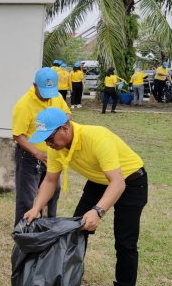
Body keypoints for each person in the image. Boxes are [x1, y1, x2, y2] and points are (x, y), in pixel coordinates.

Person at [24, 107, 148, 286]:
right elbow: (50, 180)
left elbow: (118, 183)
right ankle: (70, 278)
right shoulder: (56, 148)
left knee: (125, 242)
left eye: (49, 138)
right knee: (76, 229)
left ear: (65, 128)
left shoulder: (96, 137)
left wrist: (98, 211)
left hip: (131, 181)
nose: (48, 144)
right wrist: (36, 208)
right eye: (45, 140)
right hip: (99, 180)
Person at [11, 67, 71, 227]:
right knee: (26, 198)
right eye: (44, 92)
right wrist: (37, 153)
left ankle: (47, 229)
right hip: (30, 157)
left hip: (52, 155)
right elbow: (18, 135)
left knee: (53, 193)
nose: (47, 97)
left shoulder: (56, 96)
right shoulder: (24, 105)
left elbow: (67, 113)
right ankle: (22, 232)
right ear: (35, 86)